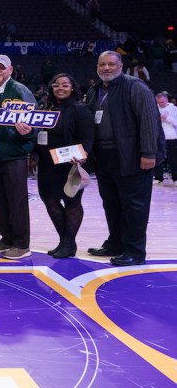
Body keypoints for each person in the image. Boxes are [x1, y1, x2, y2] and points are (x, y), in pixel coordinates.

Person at [86, 51, 164, 266]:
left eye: (111, 64)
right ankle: (115, 243)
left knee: (134, 206)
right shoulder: (94, 90)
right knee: (111, 204)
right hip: (104, 157)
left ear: (120, 66)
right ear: (97, 67)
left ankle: (135, 251)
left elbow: (149, 120)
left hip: (132, 156)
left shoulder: (135, 86)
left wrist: (148, 153)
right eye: (102, 64)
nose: (106, 68)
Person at [0, 55, 37, 260]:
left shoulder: (20, 90)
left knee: (17, 200)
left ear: (10, 70)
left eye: (1, 68)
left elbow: (35, 121)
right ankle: (7, 238)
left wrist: (29, 132)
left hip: (13, 153)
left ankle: (21, 244)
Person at [32, 74, 94, 258]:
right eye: (56, 85)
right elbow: (37, 135)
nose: (60, 88)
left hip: (70, 163)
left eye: (65, 85)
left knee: (72, 201)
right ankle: (65, 241)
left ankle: (68, 243)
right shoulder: (45, 108)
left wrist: (82, 155)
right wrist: (33, 155)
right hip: (47, 163)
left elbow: (88, 137)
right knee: (50, 200)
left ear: (72, 88)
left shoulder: (80, 109)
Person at [154, 92, 177, 185]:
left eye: (162, 102)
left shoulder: (174, 109)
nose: (160, 104)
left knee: (173, 159)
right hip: (158, 137)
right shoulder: (154, 108)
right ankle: (158, 178)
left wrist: (166, 118)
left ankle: (176, 178)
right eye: (158, 102)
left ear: (167, 100)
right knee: (157, 158)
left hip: (171, 137)